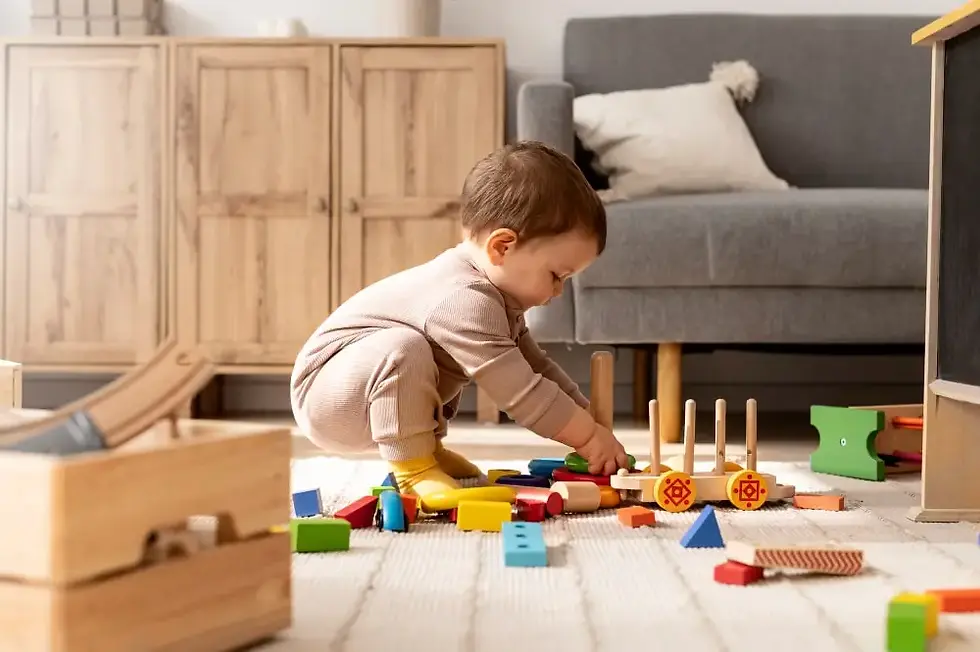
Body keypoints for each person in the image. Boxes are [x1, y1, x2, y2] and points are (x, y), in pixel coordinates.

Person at [289, 140, 630, 506]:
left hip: (361, 391)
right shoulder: (464, 299)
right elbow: (522, 392)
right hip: (329, 397)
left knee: (421, 353)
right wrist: (587, 438)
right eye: (556, 275)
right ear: (502, 247)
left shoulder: (498, 299)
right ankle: (414, 469)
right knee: (404, 349)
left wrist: (590, 418)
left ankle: (427, 451)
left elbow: (538, 369)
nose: (559, 291)